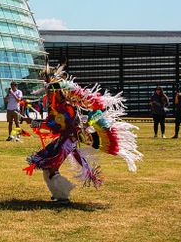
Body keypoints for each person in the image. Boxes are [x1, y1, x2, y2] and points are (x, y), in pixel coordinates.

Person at [25, 67, 141, 202]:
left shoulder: (67, 108)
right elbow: (52, 125)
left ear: (57, 92)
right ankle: (58, 193)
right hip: (63, 139)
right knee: (47, 166)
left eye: (50, 92)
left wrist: (36, 123)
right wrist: (34, 122)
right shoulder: (57, 108)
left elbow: (56, 126)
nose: (48, 95)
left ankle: (63, 195)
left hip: (68, 141)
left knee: (51, 167)